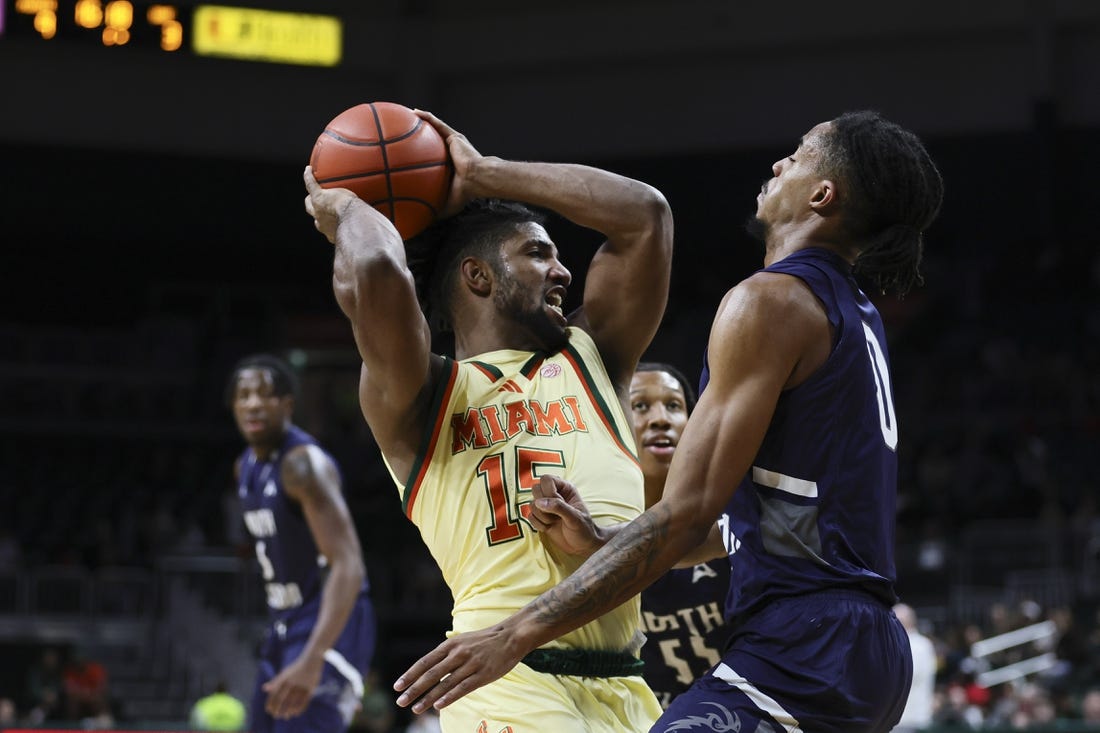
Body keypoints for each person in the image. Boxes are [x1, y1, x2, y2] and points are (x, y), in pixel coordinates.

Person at [391, 110, 945, 733]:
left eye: (798, 155)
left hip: (806, 642)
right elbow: (779, 515)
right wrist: (602, 544)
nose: (778, 164)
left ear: (822, 195)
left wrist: (514, 633)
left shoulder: (770, 302)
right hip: (856, 644)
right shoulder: (854, 310)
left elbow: (685, 516)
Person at [303, 108, 673, 732]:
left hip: (626, 685)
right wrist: (347, 210)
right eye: (538, 255)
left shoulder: (595, 355)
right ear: (477, 276)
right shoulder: (423, 394)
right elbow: (375, 269)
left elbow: (645, 215)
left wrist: (482, 173)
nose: (563, 272)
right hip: (503, 678)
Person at [227, 354, 377, 733]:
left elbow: (349, 566)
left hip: (330, 626)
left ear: (287, 405)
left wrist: (315, 656)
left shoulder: (302, 465)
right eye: (243, 395)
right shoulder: (245, 466)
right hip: (284, 626)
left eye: (266, 394)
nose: (254, 403)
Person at [631, 363, 731, 708]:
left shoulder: (731, 513)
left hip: (739, 713)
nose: (661, 419)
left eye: (674, 406)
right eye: (640, 406)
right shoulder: (587, 530)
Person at [893, 604, 937, 732]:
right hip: (902, 718)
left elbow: (904, 677)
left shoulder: (918, 645)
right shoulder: (911, 642)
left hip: (909, 719)